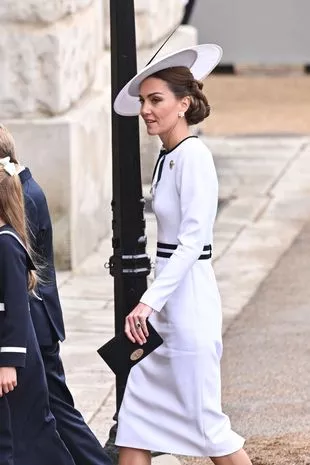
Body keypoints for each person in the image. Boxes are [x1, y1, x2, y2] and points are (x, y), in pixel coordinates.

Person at [112, 44, 253, 465]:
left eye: (156, 100)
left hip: (189, 306)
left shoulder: (194, 157)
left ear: (184, 104)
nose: (146, 110)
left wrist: (147, 302)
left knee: (210, 430)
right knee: (134, 423)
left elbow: (192, 243)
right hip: (167, 308)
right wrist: (155, 304)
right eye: (143, 101)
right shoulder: (167, 157)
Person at [0, 125, 112, 465]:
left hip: (30, 328)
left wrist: (12, 353)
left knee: (52, 419)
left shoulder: (23, 196)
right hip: (27, 328)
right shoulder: (24, 186)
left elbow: (17, 277)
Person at [0, 159, 76, 465]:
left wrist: (8, 362)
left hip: (15, 365)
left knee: (32, 439)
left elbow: (17, 307)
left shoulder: (6, 244)